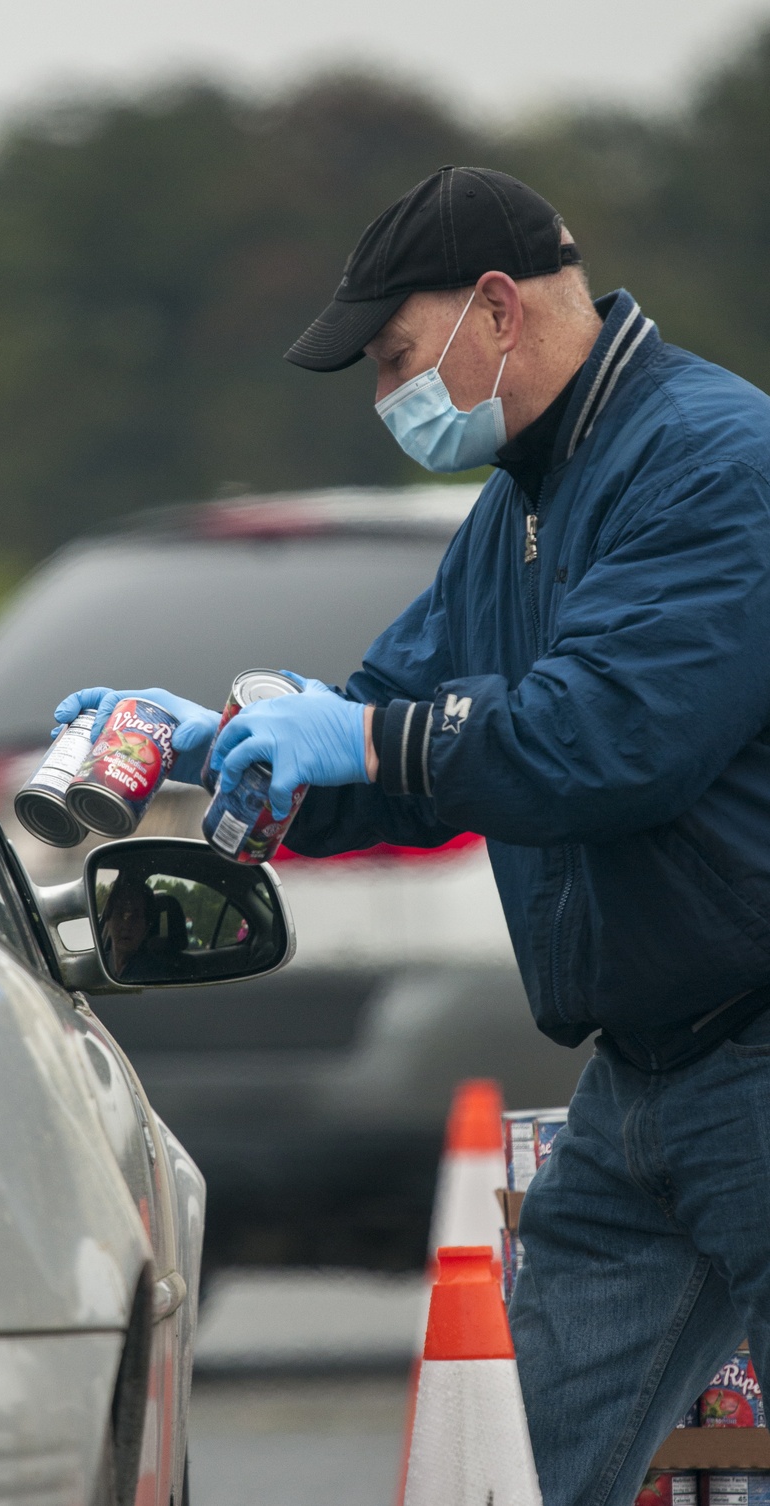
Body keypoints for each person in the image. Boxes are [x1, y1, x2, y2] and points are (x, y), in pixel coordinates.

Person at [57, 167, 770, 1505]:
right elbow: (393, 728)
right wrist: (227, 748)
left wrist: (372, 741)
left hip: (758, 1048)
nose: (393, 397)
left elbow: (611, 736)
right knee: (517, 1465)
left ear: (495, 310)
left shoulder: (719, 463)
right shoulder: (514, 513)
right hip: (645, 1084)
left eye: (398, 357)